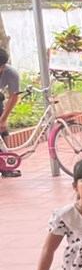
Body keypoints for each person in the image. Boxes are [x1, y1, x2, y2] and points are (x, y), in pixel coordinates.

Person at [0, 47, 21, 175]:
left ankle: (6, 166)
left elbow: (13, 96)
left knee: (2, 129)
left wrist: (3, 119)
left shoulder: (11, 74)